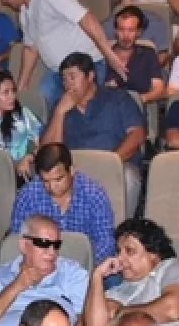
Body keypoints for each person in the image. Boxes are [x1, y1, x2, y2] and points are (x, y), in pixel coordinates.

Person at [0, 0, 128, 112]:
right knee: (43, 109)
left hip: (85, 67)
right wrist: (21, 86)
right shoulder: (25, 10)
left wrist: (110, 55)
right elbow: (31, 49)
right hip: (57, 71)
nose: (3, 1)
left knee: (84, 113)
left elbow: (87, 19)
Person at [41, 53, 147, 211]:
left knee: (128, 178)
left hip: (115, 164)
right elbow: (48, 152)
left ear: (90, 76)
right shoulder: (60, 105)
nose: (67, 84)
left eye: (72, 77)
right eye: (64, 79)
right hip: (75, 169)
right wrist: (59, 113)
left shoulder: (117, 98)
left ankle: (120, 226)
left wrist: (110, 162)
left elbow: (137, 134)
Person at [0, 216, 88, 326]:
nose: (52, 252)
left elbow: (84, 321)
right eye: (44, 243)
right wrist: (18, 285)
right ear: (24, 245)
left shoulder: (72, 273)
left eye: (56, 245)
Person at [11, 144, 118, 265]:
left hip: (85, 265)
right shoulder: (28, 196)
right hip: (40, 265)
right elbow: (16, 239)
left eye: (58, 179)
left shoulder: (94, 194)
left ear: (71, 170)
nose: (52, 187)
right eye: (46, 181)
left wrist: (82, 267)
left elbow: (106, 242)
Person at [104, 7, 168, 96]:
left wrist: (140, 100)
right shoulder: (104, 55)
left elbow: (158, 88)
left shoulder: (148, 54)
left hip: (139, 101)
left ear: (139, 32)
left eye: (131, 30)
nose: (126, 36)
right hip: (109, 101)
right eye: (121, 29)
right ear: (116, 31)